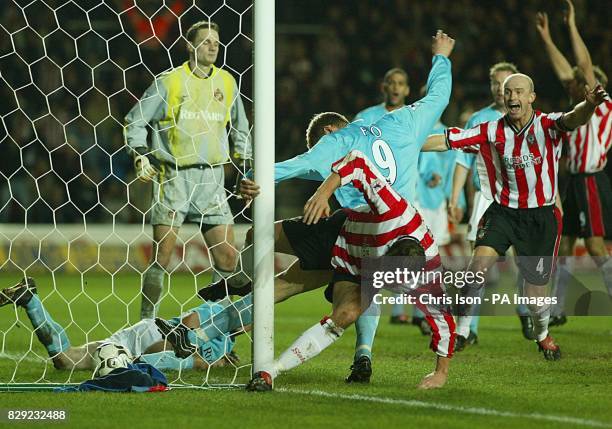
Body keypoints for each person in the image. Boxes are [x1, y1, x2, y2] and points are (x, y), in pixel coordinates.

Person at [205, 30, 455, 384]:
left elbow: (292, 167)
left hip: (354, 229)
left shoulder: (332, 143)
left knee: (278, 268)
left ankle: (226, 310)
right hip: (394, 227)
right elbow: (440, 94)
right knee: (339, 302)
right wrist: (441, 56)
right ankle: (353, 355)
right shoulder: (402, 122)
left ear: (330, 130)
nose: (316, 152)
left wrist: (253, 178)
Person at [423, 72, 609, 360]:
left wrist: (589, 105)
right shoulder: (491, 130)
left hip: (541, 218)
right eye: (508, 92)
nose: (512, 97)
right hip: (503, 213)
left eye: (519, 92)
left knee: (535, 294)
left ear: (531, 97)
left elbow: (574, 118)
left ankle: (543, 334)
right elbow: (448, 140)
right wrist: (404, 145)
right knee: (476, 269)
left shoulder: (547, 125)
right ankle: (461, 331)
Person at [244, 151, 455, 391]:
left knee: (345, 315)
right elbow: (357, 161)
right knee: (257, 236)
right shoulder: (393, 211)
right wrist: (323, 194)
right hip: (336, 233)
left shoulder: (428, 276)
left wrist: (440, 373)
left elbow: (445, 323)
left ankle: (270, 371)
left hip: (357, 271)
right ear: (387, 252)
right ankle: (240, 283)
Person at [124, 20, 252, 320]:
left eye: (216, 42)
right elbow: (135, 120)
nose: (212, 46)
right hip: (175, 179)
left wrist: (245, 169)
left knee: (227, 258)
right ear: (190, 46)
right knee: (163, 257)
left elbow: (241, 130)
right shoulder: (169, 82)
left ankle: (216, 331)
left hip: (212, 181)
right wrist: (141, 154)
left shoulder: (227, 82)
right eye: (206, 41)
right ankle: (145, 325)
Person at [447, 62, 537, 348]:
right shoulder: (479, 119)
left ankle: (525, 310)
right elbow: (463, 159)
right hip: (489, 198)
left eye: (506, 84)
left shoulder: (532, 118)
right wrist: (455, 197)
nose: (501, 90)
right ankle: (468, 328)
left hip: (526, 199)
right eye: (496, 83)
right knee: (479, 264)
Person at [536, 0, 612, 325]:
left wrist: (571, 25)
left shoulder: (602, 104)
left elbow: (581, 63)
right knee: (565, 245)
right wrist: (547, 37)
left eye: (585, 80)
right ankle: (558, 309)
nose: (577, 83)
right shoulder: (578, 105)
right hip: (575, 181)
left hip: (592, 179)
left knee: (595, 247)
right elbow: (567, 71)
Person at [0, 277, 237, 372]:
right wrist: (200, 359)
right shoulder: (222, 310)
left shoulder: (228, 343)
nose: (250, 324)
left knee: (65, 360)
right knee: (180, 356)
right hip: (153, 336)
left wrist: (215, 360)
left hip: (144, 340)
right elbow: (184, 328)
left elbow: (202, 359)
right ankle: (131, 365)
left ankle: (30, 300)